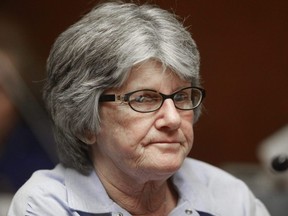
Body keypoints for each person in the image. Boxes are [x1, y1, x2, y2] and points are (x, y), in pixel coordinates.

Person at [8, 1, 270, 215]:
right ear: (85, 123)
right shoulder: (46, 206)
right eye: (144, 99)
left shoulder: (230, 198)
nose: (172, 118)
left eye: (180, 97)